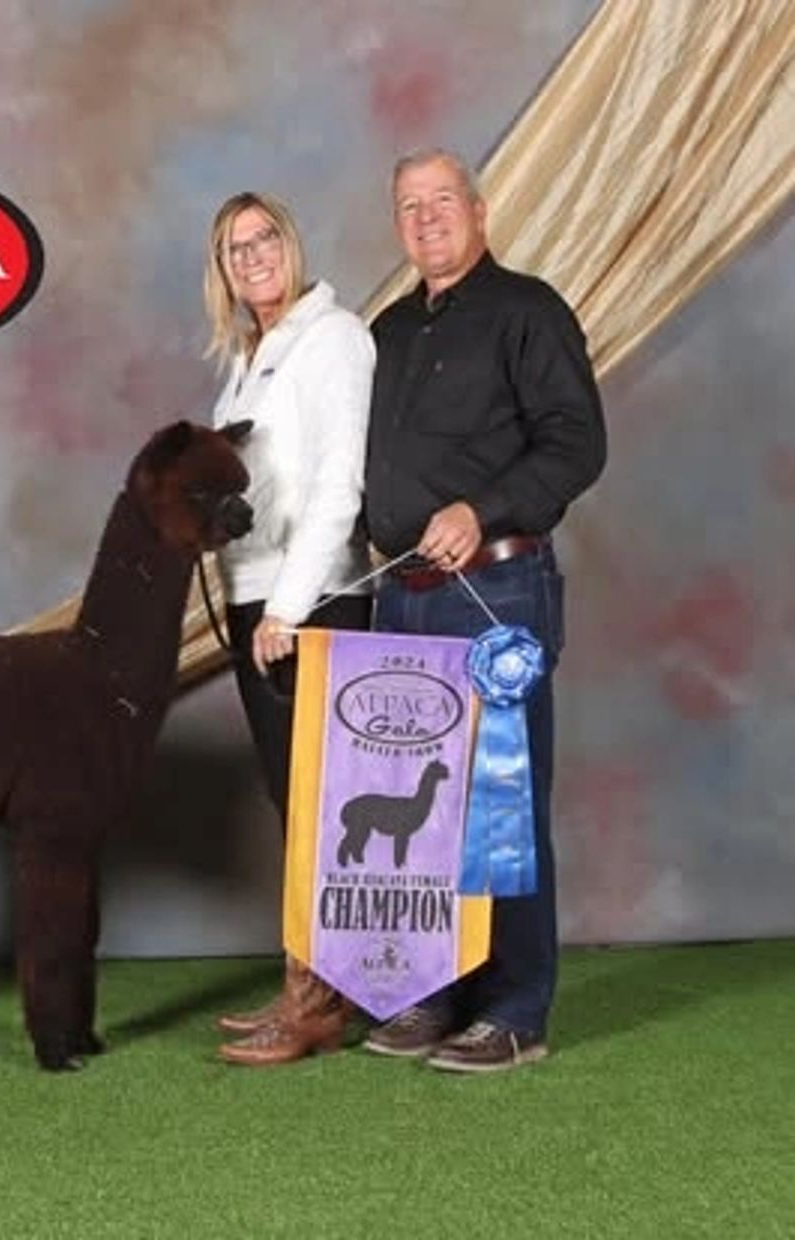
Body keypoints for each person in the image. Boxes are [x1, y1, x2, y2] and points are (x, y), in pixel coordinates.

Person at [362, 149, 606, 1072]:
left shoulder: (530, 312)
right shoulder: (387, 332)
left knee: (497, 801)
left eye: (441, 202)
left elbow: (577, 443)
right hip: (400, 594)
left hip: (496, 591)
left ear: (480, 210)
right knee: (414, 811)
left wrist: (481, 509)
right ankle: (432, 991)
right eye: (408, 206)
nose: (426, 219)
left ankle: (514, 1009)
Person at [203, 192, 376, 1066]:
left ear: (291, 243)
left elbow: (339, 483)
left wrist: (289, 607)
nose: (253, 256)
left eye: (265, 237)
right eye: (236, 248)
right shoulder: (247, 358)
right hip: (253, 596)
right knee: (294, 800)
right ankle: (305, 983)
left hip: (304, 604)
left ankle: (316, 1006)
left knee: (317, 802)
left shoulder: (333, 337)